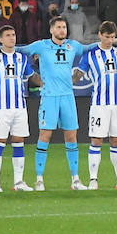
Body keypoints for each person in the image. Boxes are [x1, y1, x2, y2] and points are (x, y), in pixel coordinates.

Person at [19, 15, 95, 191]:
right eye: (59, 27)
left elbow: (86, 48)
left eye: (64, 27)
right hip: (49, 97)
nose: (62, 30)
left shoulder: (72, 45)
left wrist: (109, 43)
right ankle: (39, 179)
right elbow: (21, 50)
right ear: (52, 30)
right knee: (45, 136)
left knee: (71, 137)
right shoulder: (41, 45)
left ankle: (75, 179)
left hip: (67, 97)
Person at [74, 21, 117, 189]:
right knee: (96, 140)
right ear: (100, 36)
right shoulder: (90, 54)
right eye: (107, 37)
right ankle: (93, 180)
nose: (110, 40)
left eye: (112, 37)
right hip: (99, 104)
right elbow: (77, 76)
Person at [0, 25, 36, 192]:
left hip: (20, 107)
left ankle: (18, 182)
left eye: (13, 34)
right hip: (1, 108)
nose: (12, 38)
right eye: (8, 35)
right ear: (1, 39)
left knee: (19, 142)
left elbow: (31, 77)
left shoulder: (22, 58)